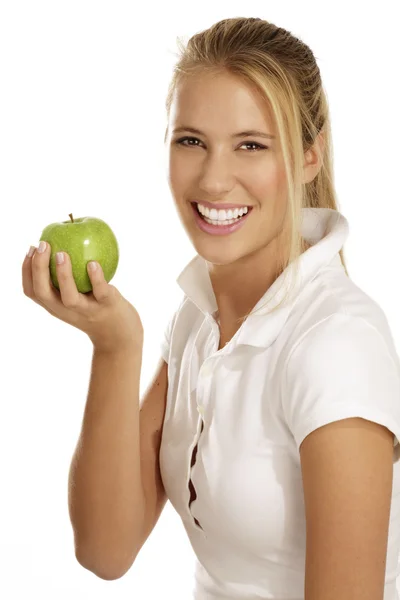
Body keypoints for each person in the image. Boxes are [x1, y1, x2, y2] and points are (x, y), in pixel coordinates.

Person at [22, 16, 400, 600]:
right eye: (191, 141)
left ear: (308, 157)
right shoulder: (198, 317)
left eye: (251, 145)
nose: (214, 179)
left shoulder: (336, 343)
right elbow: (105, 548)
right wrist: (115, 345)